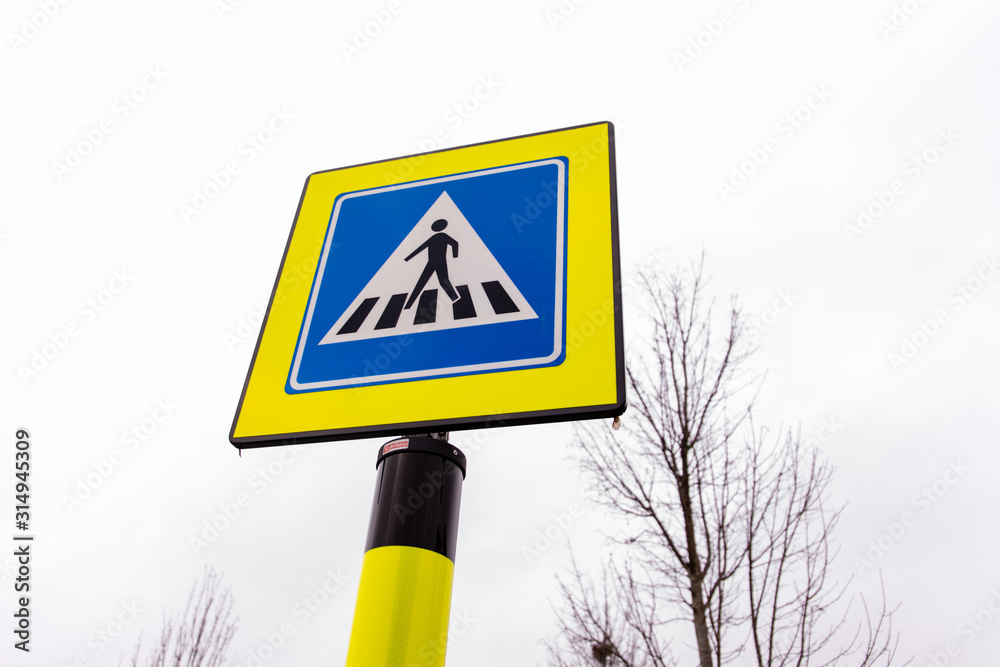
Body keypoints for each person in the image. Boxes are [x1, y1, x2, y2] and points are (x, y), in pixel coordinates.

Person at [403, 218, 460, 308]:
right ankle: (455, 299)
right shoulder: (439, 236)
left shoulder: (441, 236)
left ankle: (455, 300)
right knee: (440, 281)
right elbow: (421, 248)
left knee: (428, 282)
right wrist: (407, 258)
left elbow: (455, 243)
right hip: (435, 262)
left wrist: (455, 256)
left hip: (437, 261)